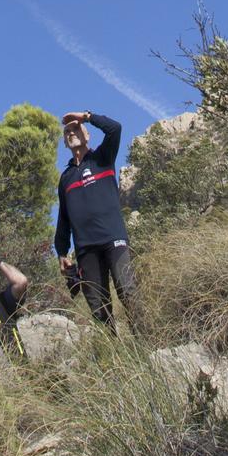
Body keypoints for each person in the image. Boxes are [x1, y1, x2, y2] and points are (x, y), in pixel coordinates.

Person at [55, 111, 136, 328]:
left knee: (128, 293)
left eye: (76, 128)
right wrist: (61, 252)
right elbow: (64, 218)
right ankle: (110, 357)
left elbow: (115, 128)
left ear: (87, 135)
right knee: (98, 308)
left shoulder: (102, 158)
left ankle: (147, 344)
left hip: (114, 240)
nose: (71, 133)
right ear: (65, 142)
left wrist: (86, 116)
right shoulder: (65, 178)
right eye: (67, 132)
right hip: (86, 249)